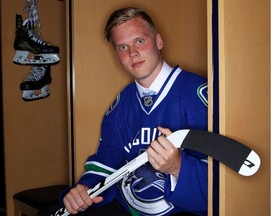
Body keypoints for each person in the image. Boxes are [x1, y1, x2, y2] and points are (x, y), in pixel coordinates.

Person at [59, 6, 208, 216]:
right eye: (122, 47)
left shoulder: (200, 95)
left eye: (140, 41)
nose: (132, 53)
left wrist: (177, 167)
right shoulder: (120, 106)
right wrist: (84, 188)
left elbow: (224, 183)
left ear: (158, 41)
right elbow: (106, 162)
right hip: (128, 207)